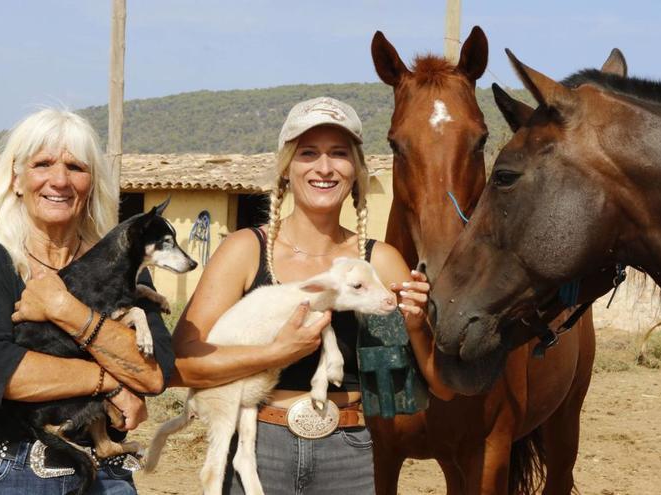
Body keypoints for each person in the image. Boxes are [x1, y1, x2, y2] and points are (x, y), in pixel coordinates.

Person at [171, 96, 453, 494]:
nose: (324, 168)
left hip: (350, 452)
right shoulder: (245, 250)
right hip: (257, 447)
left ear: (355, 170)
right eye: (308, 153)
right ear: (287, 168)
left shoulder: (381, 261)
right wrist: (276, 353)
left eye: (339, 154)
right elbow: (180, 365)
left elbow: (441, 386)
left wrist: (418, 327)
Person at [0, 108, 176, 494]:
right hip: (9, 471)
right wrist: (110, 383)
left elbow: (154, 373)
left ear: (93, 183)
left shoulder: (126, 268)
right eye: (43, 164)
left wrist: (65, 309)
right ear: (16, 179)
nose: (59, 180)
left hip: (107, 474)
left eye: (75, 166)